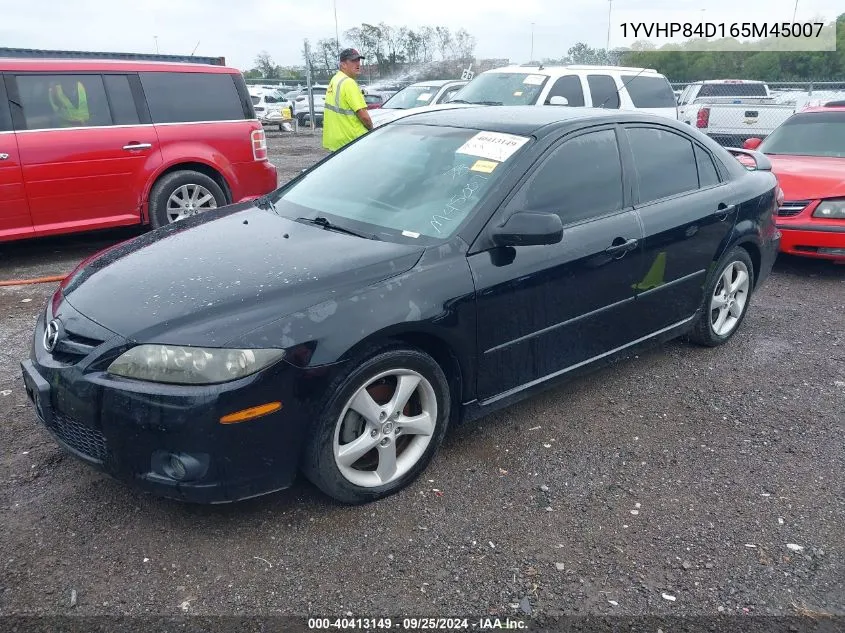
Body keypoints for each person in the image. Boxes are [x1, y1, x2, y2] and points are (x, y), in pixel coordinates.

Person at [322, 48, 373, 152]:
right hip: (352, 140)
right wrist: (372, 130)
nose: (358, 64)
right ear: (343, 64)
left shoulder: (335, 80)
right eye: (353, 61)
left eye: (358, 60)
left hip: (336, 141)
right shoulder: (348, 83)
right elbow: (364, 117)